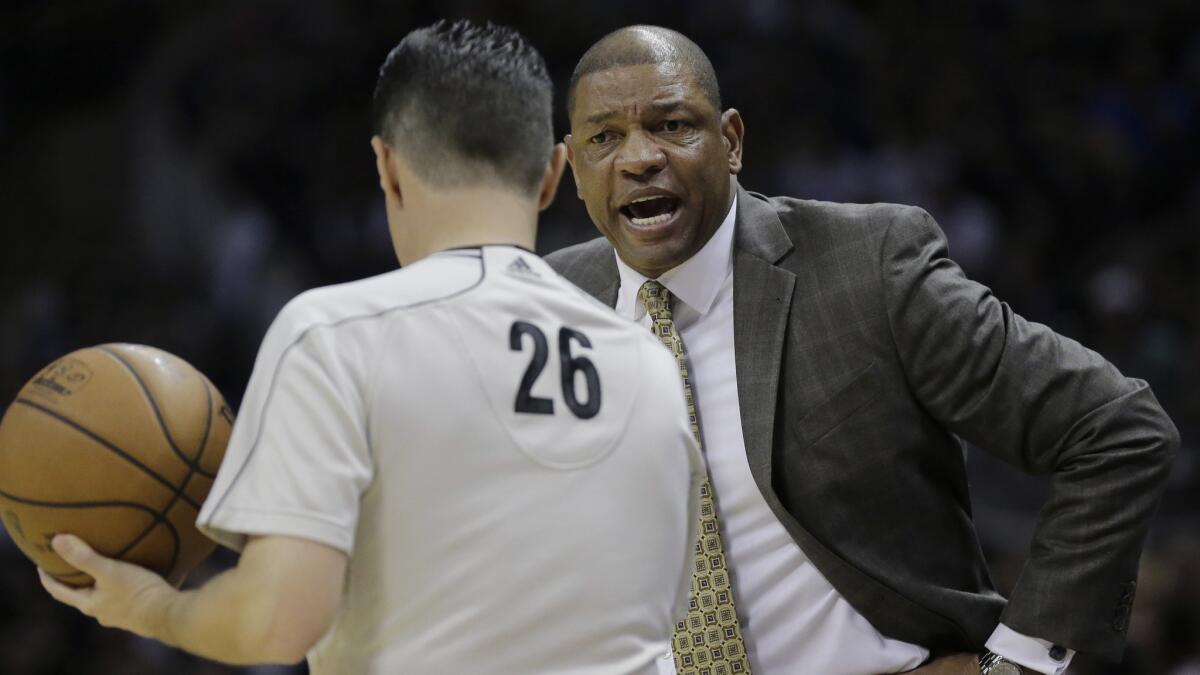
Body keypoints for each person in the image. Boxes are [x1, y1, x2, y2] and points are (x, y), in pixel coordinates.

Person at [39, 20, 704, 674]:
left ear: (387, 166)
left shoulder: (335, 333)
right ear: (556, 174)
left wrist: (153, 609)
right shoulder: (653, 362)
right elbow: (667, 614)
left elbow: (279, 621)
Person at [547, 25, 1180, 675]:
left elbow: (1116, 426)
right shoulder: (540, 307)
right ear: (573, 168)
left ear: (731, 141)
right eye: (605, 138)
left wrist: (1018, 661)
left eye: (672, 124)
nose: (639, 157)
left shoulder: (866, 267)